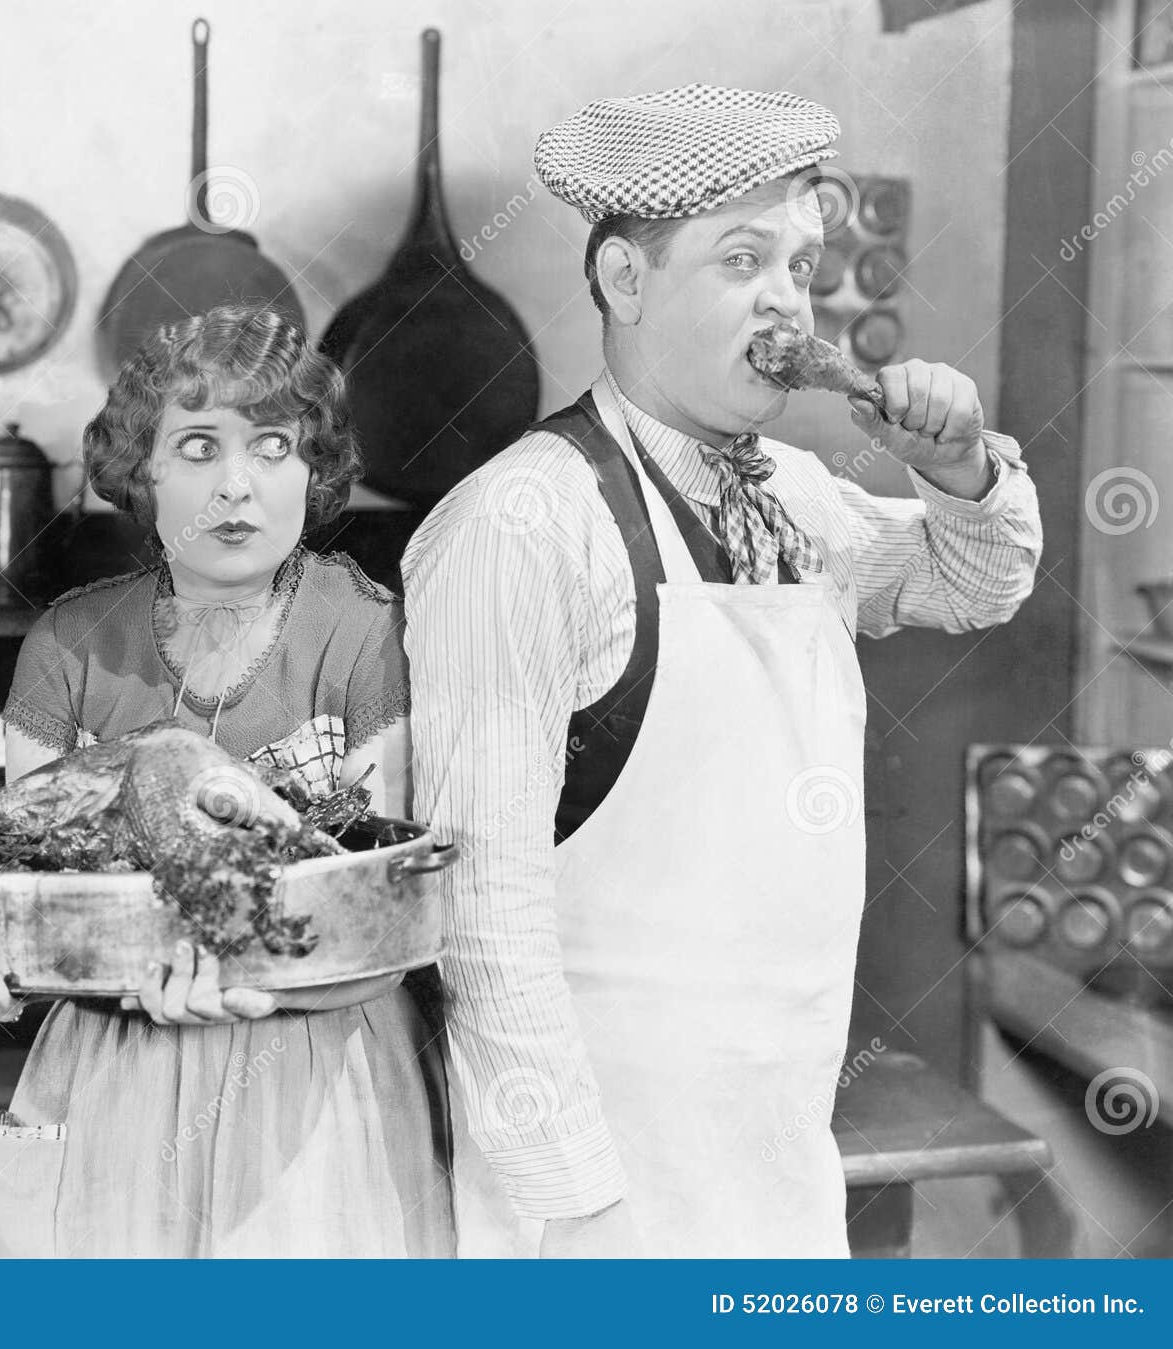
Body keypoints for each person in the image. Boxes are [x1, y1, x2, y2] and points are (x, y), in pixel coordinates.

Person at [401, 84, 1042, 1258]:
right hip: (591, 1196)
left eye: (797, 267)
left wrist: (958, 471)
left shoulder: (792, 494)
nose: (784, 303)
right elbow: (480, 908)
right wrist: (575, 1206)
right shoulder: (520, 525)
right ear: (623, 281)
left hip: (771, 1160)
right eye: (740, 258)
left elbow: (974, 584)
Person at [0, 302, 453, 1258]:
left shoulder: (368, 633)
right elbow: (35, 892)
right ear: (141, 472)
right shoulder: (70, 647)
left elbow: (379, 904)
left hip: (321, 1070)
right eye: (197, 447)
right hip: (116, 1071)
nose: (236, 485)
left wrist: (257, 976)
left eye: (273, 446)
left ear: (313, 471)